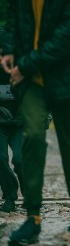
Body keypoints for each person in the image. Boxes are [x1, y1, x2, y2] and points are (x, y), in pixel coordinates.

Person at [1, 0, 70, 245]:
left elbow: (66, 39)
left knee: (69, 142)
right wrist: (8, 48)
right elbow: (12, 13)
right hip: (31, 82)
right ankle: (33, 217)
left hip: (66, 78)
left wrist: (24, 65)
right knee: (31, 136)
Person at [0, 28, 23, 213]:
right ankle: (9, 196)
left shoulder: (23, 67)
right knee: (0, 159)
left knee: (21, 160)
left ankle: (30, 191)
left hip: (21, 123)